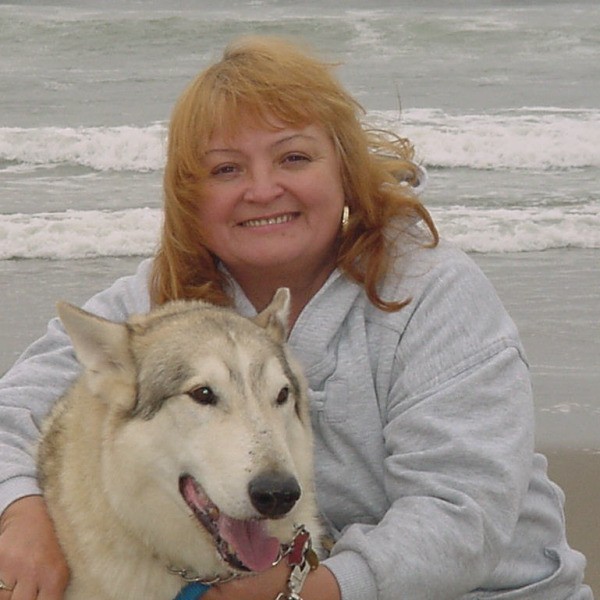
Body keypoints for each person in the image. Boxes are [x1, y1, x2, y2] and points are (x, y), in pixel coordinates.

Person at [0, 36, 592, 600]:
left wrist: (313, 591)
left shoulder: (433, 295)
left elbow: (464, 512)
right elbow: (12, 413)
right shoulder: (155, 308)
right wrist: (19, 513)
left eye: (294, 157)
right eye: (226, 169)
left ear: (344, 170)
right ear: (189, 196)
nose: (264, 189)